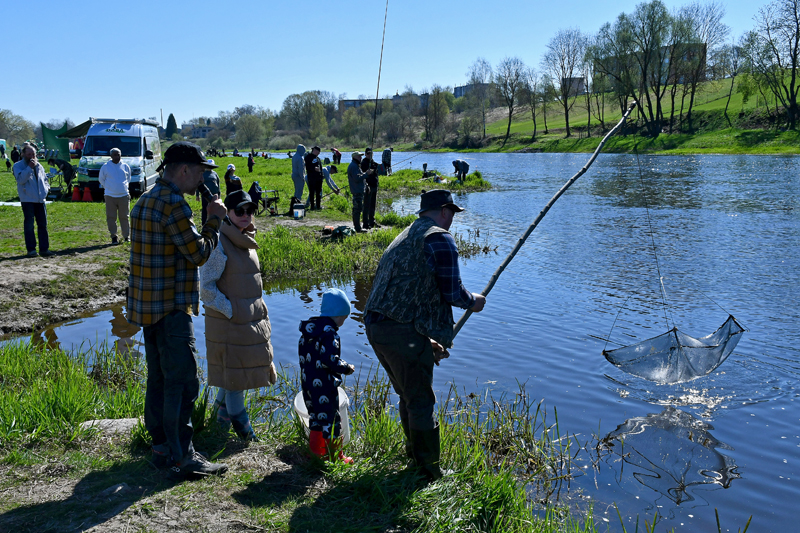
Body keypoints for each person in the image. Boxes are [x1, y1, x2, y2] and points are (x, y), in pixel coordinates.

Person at [364, 189, 487, 481]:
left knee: (408, 395)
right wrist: (475, 302)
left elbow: (411, 290)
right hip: (399, 330)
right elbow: (453, 292)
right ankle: (429, 472)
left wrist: (425, 339)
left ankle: (414, 455)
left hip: (377, 326)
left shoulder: (405, 234)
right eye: (452, 213)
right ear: (445, 210)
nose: (452, 220)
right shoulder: (439, 237)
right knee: (420, 401)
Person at [127, 141, 229, 478]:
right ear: (183, 170)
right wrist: (213, 221)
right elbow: (198, 254)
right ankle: (184, 457)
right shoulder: (174, 204)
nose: (201, 179)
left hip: (148, 308)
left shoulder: (145, 199)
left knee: (158, 379)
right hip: (172, 309)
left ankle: (161, 447)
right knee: (183, 383)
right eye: (199, 172)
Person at [200, 189, 277, 442]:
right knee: (236, 383)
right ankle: (247, 437)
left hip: (246, 324)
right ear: (228, 214)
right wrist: (233, 310)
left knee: (229, 378)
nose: (246, 215)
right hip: (230, 325)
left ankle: (217, 431)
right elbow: (206, 288)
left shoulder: (247, 241)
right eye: (239, 211)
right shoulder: (220, 243)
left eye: (250, 210)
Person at [299, 288, 355, 464]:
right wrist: (346, 368)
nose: (343, 323)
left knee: (316, 417)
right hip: (324, 385)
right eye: (343, 318)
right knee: (332, 420)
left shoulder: (309, 332)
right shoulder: (330, 333)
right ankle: (336, 457)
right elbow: (329, 360)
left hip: (308, 383)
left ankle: (316, 453)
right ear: (337, 315)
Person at [13, 144, 53, 257]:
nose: (32, 156)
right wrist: (29, 168)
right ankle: (31, 250)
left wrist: (46, 189)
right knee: (29, 225)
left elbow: (45, 179)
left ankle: (44, 249)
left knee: (43, 225)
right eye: (29, 154)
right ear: (23, 154)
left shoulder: (39, 166)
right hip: (28, 199)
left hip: (40, 199)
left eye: (33, 154)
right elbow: (21, 180)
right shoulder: (18, 166)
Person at [98, 148, 131, 244]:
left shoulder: (125, 166)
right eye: (115, 155)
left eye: (119, 154)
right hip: (110, 196)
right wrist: (108, 188)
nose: (117, 157)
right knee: (111, 217)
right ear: (111, 156)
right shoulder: (105, 167)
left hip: (124, 195)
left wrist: (123, 188)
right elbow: (101, 179)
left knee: (124, 216)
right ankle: (114, 237)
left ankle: (126, 236)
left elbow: (128, 179)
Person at [347, 151, 371, 233]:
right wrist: (366, 174)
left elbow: (360, 177)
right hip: (356, 191)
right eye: (359, 157)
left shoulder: (356, 166)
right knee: (357, 210)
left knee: (358, 208)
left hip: (359, 190)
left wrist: (366, 185)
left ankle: (358, 227)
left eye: (361, 157)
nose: (360, 158)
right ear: (354, 157)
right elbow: (357, 178)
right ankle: (357, 228)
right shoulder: (353, 166)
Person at [195, 159, 220, 226]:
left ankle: (214, 223)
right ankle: (204, 224)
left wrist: (219, 194)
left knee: (215, 209)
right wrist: (197, 195)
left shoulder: (215, 174)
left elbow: (218, 184)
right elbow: (199, 185)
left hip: (214, 195)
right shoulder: (202, 174)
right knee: (205, 209)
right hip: (205, 195)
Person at [360, 147, 380, 230]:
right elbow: (362, 173)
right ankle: (365, 223)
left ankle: (372, 221)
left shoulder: (374, 163)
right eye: (368, 153)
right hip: (367, 186)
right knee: (366, 205)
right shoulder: (363, 163)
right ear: (365, 154)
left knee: (373, 204)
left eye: (371, 153)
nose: (370, 155)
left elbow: (376, 172)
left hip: (374, 185)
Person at [304, 146, 324, 210]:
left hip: (319, 178)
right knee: (312, 192)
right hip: (312, 177)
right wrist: (313, 168)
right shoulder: (308, 157)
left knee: (318, 192)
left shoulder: (318, 159)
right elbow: (307, 167)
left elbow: (320, 168)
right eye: (318, 151)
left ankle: (318, 205)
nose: (318, 153)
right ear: (314, 150)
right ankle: (312, 206)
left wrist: (321, 174)